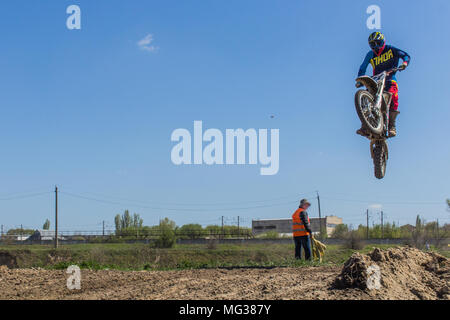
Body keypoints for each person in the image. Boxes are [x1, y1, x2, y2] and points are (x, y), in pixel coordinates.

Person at [356, 31, 411, 137]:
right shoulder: (370, 54)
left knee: (394, 96)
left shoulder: (391, 49)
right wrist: (359, 80)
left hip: (389, 79)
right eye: (373, 44)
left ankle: (391, 126)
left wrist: (404, 63)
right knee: (368, 95)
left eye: (378, 43)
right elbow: (362, 67)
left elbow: (405, 55)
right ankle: (364, 126)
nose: (376, 46)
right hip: (376, 80)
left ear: (383, 41)